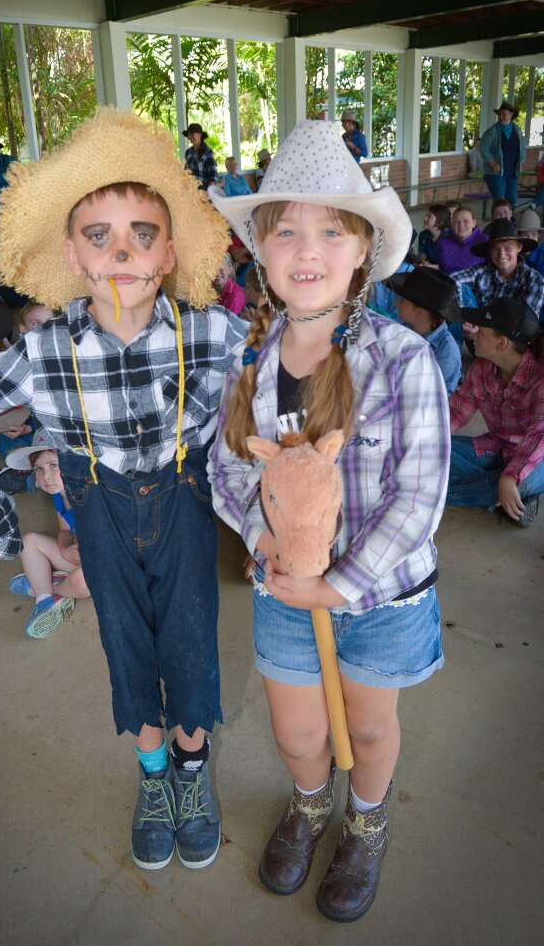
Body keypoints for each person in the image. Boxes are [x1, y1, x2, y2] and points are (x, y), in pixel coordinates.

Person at [0, 108, 247, 873]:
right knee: (126, 647)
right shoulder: (44, 348)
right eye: (98, 236)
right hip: (99, 516)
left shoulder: (212, 336)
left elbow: (267, 415)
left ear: (168, 250)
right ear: (73, 255)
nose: (122, 252)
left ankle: (190, 768)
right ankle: (150, 780)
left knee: (190, 647)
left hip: (183, 509)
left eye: (142, 233)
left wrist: (269, 521)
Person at [208, 120, 449, 924]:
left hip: (381, 601)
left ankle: (366, 822)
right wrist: (265, 538)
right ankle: (310, 804)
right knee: (297, 733)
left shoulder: (401, 360)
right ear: (260, 252)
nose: (304, 249)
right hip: (282, 592)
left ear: (360, 252)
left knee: (370, 730)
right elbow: (226, 469)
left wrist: (336, 585)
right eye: (284, 232)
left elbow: (416, 499)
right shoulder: (245, 364)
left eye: (328, 231)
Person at [447, 297, 543, 528]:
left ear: (501, 343)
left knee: (519, 482)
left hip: (537, 460)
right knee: (434, 449)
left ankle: (432, 493)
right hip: (497, 447)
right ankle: (507, 499)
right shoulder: (482, 367)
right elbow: (456, 413)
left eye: (481, 330)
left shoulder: (540, 380)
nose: (474, 334)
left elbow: (539, 435)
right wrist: (427, 437)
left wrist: (512, 476)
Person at [5, 430, 91, 638]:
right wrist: (64, 549)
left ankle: (50, 589)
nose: (46, 476)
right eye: (39, 469)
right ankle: (44, 599)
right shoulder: (61, 497)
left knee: (83, 579)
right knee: (29, 542)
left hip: (110, 570)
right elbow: (63, 530)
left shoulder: (91, 495)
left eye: (54, 465)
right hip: (81, 559)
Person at [387, 266, 462, 394]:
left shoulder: (446, 353)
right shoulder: (404, 327)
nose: (397, 303)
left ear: (420, 312)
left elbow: (436, 397)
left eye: (403, 300)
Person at [453, 218, 544, 317]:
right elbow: (451, 280)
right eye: (495, 249)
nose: (502, 255)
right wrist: (461, 312)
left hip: (508, 331)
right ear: (489, 252)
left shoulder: (534, 280)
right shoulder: (481, 271)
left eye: (508, 248)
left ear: (519, 247)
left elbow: (524, 324)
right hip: (477, 326)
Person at [480, 102, 526, 208]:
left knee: (512, 199)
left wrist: (522, 162)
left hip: (512, 171)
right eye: (499, 114)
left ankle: (509, 221)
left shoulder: (517, 130)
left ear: (511, 114)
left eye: (504, 114)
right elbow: (484, 149)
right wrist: (492, 164)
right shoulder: (492, 132)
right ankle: (499, 223)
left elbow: (522, 147)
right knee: (499, 200)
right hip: (496, 173)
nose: (501, 117)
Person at [435, 206, 487, 275]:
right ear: (452, 224)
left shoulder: (485, 241)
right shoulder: (443, 244)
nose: (461, 225)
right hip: (448, 283)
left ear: (474, 223)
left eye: (466, 221)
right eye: (457, 222)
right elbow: (441, 269)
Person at [183, 123, 219, 190]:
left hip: (203, 190)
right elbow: (185, 171)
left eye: (192, 134)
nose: (190, 137)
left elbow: (213, 173)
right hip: (190, 190)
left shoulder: (207, 151)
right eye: (189, 135)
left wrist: (209, 191)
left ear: (199, 135)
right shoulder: (188, 152)